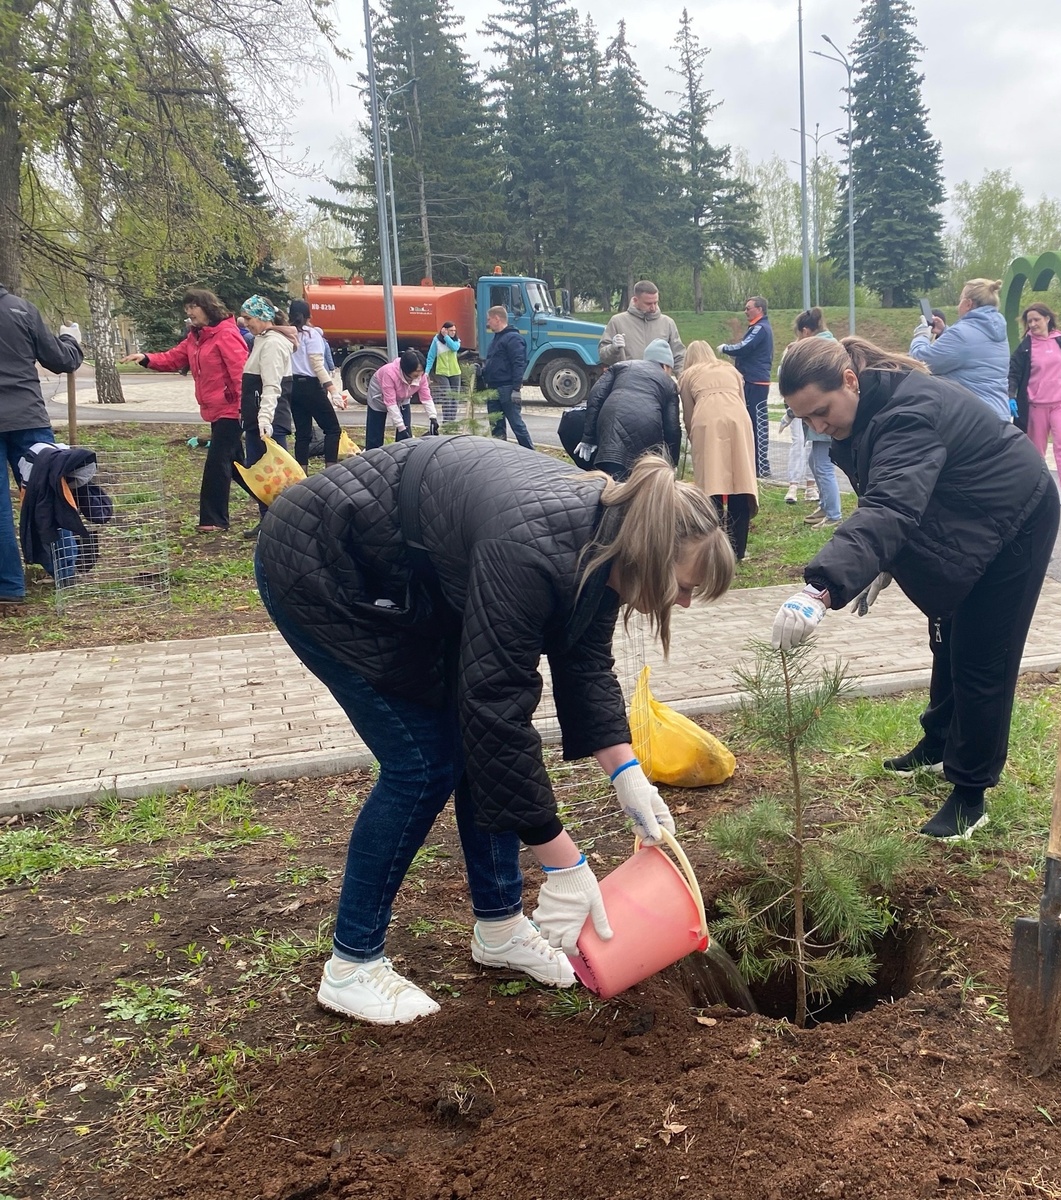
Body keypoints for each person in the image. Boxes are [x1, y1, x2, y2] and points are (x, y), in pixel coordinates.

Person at [255, 439, 736, 1024]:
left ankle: (501, 926)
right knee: (426, 761)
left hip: (409, 581)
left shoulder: (607, 545)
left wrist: (628, 774)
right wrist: (563, 864)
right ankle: (352, 964)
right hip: (325, 567)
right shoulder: (533, 550)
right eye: (683, 585)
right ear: (651, 553)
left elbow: (583, 665)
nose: (682, 603)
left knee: (469, 739)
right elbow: (495, 708)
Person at [772, 336, 1058, 841]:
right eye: (805, 420)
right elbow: (896, 496)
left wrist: (821, 587)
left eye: (821, 411)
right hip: (959, 511)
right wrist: (883, 560)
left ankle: (970, 794)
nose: (818, 427)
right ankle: (939, 741)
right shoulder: (866, 412)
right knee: (945, 632)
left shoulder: (907, 413)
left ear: (850, 380)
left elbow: (891, 506)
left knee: (982, 656)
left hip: (1017, 513)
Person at [123, 289, 244, 532]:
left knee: (216, 463)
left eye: (193, 307)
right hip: (214, 409)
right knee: (239, 465)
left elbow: (241, 372)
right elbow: (174, 358)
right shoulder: (196, 338)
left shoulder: (226, 335)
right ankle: (274, 500)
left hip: (232, 410)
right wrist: (146, 358)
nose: (189, 313)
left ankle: (214, 520)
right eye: (186, 309)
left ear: (207, 307)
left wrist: (246, 408)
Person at [0, 284, 80, 603]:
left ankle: (8, 586)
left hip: (27, 418)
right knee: (47, 494)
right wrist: (71, 340)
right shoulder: (21, 310)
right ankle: (64, 569)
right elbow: (60, 359)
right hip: (28, 420)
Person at [678, 341, 758, 560]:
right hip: (738, 421)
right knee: (739, 482)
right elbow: (742, 401)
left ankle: (714, 548)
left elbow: (688, 413)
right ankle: (738, 550)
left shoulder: (688, 375)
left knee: (711, 484)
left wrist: (694, 440)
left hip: (707, 422)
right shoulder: (731, 369)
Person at [1008, 303, 1061, 510]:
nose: (1033, 324)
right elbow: (1013, 372)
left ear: (1047, 319)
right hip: (1036, 406)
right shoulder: (1025, 347)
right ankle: (1037, 491)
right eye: (1029, 321)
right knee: (1036, 451)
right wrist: (1011, 396)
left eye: (1036, 319)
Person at [907, 279, 1011, 421]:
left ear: (968, 303)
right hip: (998, 415)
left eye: (960, 299)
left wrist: (921, 335)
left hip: (973, 418)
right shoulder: (996, 331)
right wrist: (945, 332)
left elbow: (921, 361)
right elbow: (970, 351)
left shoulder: (961, 334)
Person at [581, 339, 681, 481]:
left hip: (611, 420)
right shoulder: (669, 383)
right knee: (637, 481)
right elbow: (672, 428)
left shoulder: (621, 366)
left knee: (609, 479)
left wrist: (588, 437)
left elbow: (595, 396)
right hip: (648, 427)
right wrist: (671, 462)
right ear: (665, 366)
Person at [238, 296, 297, 528]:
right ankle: (268, 522)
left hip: (268, 420)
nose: (245, 323)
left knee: (274, 476)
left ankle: (279, 525)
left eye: (249, 318)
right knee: (261, 473)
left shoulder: (273, 344)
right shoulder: (263, 340)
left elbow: (272, 386)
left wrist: (264, 418)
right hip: (259, 418)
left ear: (263, 317)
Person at [786, 308, 841, 528]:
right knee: (815, 461)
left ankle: (834, 515)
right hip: (825, 414)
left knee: (823, 465)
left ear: (806, 331)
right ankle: (826, 506)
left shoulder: (818, 348)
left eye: (799, 335)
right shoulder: (828, 343)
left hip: (825, 415)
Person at [718, 296, 774, 478]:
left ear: (760, 309)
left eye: (748, 308)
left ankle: (761, 466)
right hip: (754, 379)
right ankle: (756, 464)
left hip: (754, 381)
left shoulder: (760, 328)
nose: (745, 311)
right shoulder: (758, 327)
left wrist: (725, 348)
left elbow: (744, 347)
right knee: (753, 422)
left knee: (756, 423)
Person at [286, 299, 345, 469]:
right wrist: (332, 390)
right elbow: (317, 365)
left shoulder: (286, 335)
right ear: (309, 316)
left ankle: (301, 474)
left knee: (303, 434)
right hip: (310, 385)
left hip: (292, 386)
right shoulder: (311, 335)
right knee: (332, 429)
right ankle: (330, 470)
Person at [599, 281, 685, 371]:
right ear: (636, 300)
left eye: (656, 303)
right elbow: (603, 356)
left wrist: (683, 380)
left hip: (658, 381)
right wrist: (613, 348)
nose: (653, 307)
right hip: (628, 380)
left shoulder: (667, 323)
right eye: (648, 303)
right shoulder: (617, 321)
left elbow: (679, 357)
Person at [479, 305, 531, 449]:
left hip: (507, 388)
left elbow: (519, 363)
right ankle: (501, 452)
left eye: (489, 319)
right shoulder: (496, 339)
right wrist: (482, 371)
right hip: (493, 388)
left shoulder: (513, 339)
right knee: (496, 425)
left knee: (516, 424)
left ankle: (531, 452)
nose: (488, 323)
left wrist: (516, 388)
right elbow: (495, 362)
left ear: (497, 318)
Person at [366, 350, 438, 450]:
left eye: (421, 371)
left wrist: (433, 417)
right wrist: (400, 427)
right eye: (416, 371)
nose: (419, 374)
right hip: (379, 398)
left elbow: (426, 397)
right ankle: (372, 456)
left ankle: (401, 459)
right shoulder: (389, 373)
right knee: (375, 434)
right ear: (406, 369)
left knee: (405, 435)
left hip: (403, 397)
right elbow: (390, 403)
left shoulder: (421, 377)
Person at [426, 321, 464, 422]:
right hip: (442, 372)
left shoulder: (456, 341)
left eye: (454, 331)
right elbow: (431, 356)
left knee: (455, 397)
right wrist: (426, 372)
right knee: (447, 396)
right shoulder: (436, 340)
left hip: (455, 372)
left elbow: (454, 347)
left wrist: (446, 337)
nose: (453, 332)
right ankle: (447, 420)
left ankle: (452, 420)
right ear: (444, 330)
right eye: (451, 330)